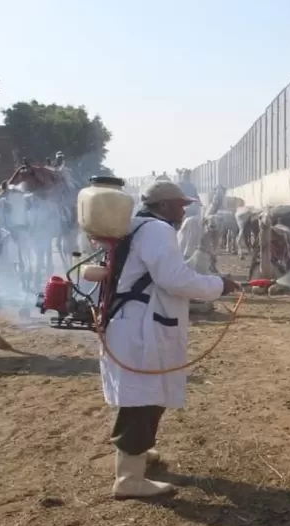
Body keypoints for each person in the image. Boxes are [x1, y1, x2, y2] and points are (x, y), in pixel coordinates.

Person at [101, 180, 241, 500]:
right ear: (163, 206)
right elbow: (174, 279)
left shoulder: (137, 225)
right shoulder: (157, 230)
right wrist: (217, 285)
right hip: (141, 329)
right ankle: (129, 479)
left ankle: (136, 456)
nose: (183, 210)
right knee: (143, 398)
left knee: (143, 395)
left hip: (132, 324)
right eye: (179, 204)